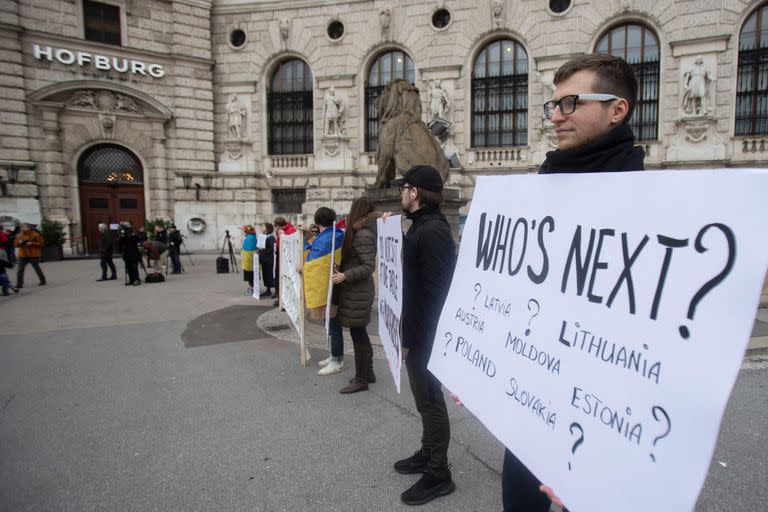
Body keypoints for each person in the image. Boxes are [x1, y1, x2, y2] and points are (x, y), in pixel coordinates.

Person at [499, 53, 644, 512]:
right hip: (530, 409)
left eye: (571, 104)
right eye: (554, 106)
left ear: (616, 109)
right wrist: (479, 365)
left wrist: (603, 460)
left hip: (595, 425)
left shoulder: (649, 208)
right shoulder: (544, 183)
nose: (556, 117)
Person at [390, 164, 456, 506]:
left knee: (431, 402)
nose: (401, 193)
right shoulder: (420, 227)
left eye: (404, 188)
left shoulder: (432, 231)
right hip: (418, 333)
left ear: (414, 193)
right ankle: (428, 452)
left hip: (427, 336)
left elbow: (435, 293)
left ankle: (438, 473)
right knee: (423, 400)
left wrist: (413, 339)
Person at [333, 197, 380, 394]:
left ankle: (362, 379)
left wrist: (345, 274)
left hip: (358, 292)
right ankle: (367, 373)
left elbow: (369, 267)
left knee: (358, 334)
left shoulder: (363, 234)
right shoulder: (363, 232)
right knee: (359, 333)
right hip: (356, 291)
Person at [302, 207, 345, 376]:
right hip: (336, 284)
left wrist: (305, 241)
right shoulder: (337, 233)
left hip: (329, 287)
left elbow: (310, 262)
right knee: (333, 324)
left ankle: (337, 360)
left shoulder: (324, 239)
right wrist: (309, 234)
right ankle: (335, 355)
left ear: (318, 222)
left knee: (333, 324)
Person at [13, 222, 46, 291]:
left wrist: (32, 243)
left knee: (36, 268)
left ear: (30, 227)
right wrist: (19, 243)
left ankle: (42, 280)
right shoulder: (19, 235)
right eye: (23, 227)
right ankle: (19, 283)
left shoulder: (35, 235)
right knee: (20, 270)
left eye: (26, 227)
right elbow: (15, 244)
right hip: (23, 254)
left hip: (33, 254)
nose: (25, 228)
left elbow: (41, 243)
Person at [273, 216, 297, 306]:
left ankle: (283, 299)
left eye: (275, 226)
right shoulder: (289, 229)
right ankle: (282, 299)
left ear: (278, 225)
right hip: (283, 254)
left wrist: (282, 236)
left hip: (285, 256)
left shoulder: (287, 231)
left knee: (281, 278)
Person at [258, 222, 276, 298]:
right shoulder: (263, 236)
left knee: (271, 275)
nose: (262, 227)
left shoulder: (271, 237)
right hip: (263, 260)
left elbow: (272, 249)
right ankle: (268, 290)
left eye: (263, 226)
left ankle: (276, 291)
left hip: (269, 260)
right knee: (265, 275)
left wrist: (262, 250)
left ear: (267, 228)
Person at [241, 225, 257, 295]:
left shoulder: (249, 238)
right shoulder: (253, 237)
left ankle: (252, 288)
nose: (244, 232)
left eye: (244, 231)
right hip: (251, 259)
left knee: (250, 275)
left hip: (248, 260)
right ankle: (252, 288)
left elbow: (245, 247)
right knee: (253, 274)